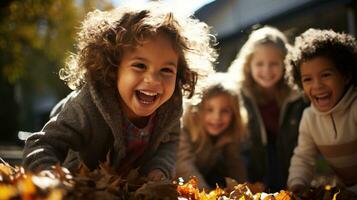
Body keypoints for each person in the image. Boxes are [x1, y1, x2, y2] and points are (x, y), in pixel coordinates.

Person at [22, 2, 217, 181]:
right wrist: (48, 173)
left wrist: (159, 169)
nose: (153, 80)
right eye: (140, 65)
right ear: (114, 68)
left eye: (166, 70)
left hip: (123, 185)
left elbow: (169, 142)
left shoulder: (170, 107)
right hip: (80, 182)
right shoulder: (87, 105)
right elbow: (41, 143)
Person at [227, 26, 308, 192]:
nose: (266, 70)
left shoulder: (296, 94)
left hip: (291, 168)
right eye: (259, 64)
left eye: (273, 64)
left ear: (285, 64)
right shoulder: (240, 94)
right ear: (249, 65)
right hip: (253, 172)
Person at [286, 28, 357, 193]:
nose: (317, 85)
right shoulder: (309, 118)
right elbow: (303, 158)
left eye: (326, 75)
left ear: (346, 75)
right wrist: (297, 185)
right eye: (308, 79)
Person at [176, 72, 247, 189]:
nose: (217, 117)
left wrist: (244, 191)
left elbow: (235, 165)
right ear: (197, 110)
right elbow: (184, 166)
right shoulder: (183, 128)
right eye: (209, 110)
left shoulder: (228, 133)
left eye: (224, 111)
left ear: (234, 114)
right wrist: (207, 195)